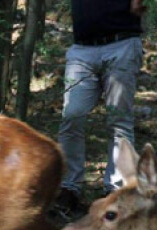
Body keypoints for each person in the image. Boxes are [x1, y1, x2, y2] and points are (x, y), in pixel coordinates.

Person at [57, 0, 145, 207]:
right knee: (71, 115)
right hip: (82, 49)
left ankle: (117, 189)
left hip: (121, 43)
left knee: (119, 119)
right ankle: (69, 186)